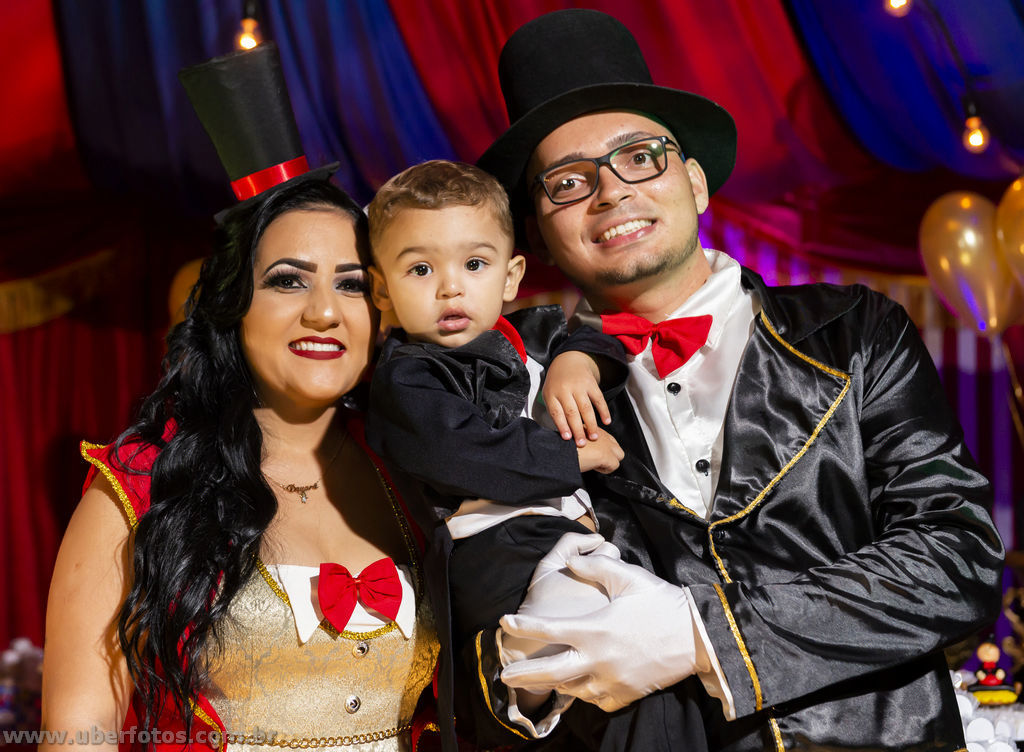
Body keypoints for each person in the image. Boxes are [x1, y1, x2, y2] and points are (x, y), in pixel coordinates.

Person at [466, 9, 1005, 751]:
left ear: (694, 181)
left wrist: (703, 636)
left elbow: (956, 557)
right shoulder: (513, 382)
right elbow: (483, 621)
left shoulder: (854, 333)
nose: (610, 192)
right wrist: (530, 681)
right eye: (567, 182)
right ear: (538, 234)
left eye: (640, 157)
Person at [42, 44, 450, 752]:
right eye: (289, 280)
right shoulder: (140, 487)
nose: (325, 311)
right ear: (233, 308)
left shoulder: (414, 470)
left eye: (352, 284)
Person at [364, 160, 655, 743]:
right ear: (382, 290)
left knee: (654, 662)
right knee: (611, 639)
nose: (450, 287)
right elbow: (464, 453)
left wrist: (577, 360)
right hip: (497, 549)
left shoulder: (534, 336)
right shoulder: (408, 377)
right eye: (420, 269)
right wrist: (571, 458)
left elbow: (601, 335)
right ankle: (520, 669)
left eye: (474, 264)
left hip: (570, 537)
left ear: (511, 275)